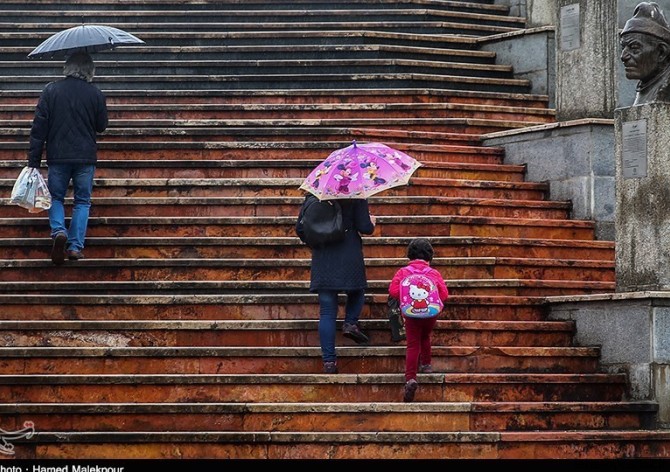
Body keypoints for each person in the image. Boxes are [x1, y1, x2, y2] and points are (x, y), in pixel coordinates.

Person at [27, 52, 109, 265]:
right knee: (82, 201)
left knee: (55, 197)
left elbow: (39, 128)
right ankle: (74, 246)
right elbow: (101, 125)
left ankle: (58, 231)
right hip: (85, 157)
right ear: (89, 70)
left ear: (67, 67)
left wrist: (33, 161)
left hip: (58, 156)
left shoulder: (51, 91)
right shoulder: (95, 93)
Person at [296, 194, 376, 374]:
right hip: (349, 252)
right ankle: (350, 322)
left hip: (323, 257)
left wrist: (319, 241)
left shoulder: (315, 194)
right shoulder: (356, 193)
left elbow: (300, 229)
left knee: (327, 312)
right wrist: (372, 222)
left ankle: (329, 362)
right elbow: (364, 226)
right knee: (357, 289)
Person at [388, 238, 449, 402]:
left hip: (411, 313)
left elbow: (393, 291)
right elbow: (444, 294)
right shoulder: (434, 273)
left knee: (413, 344)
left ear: (409, 255)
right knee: (425, 337)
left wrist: (406, 298)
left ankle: (410, 378)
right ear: (430, 256)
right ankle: (427, 364)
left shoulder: (403, 272)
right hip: (430, 313)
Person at [620, 2, 670, 105]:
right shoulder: (646, 85)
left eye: (634, 48)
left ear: (661, 52)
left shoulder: (665, 90)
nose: (623, 57)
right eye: (623, 48)